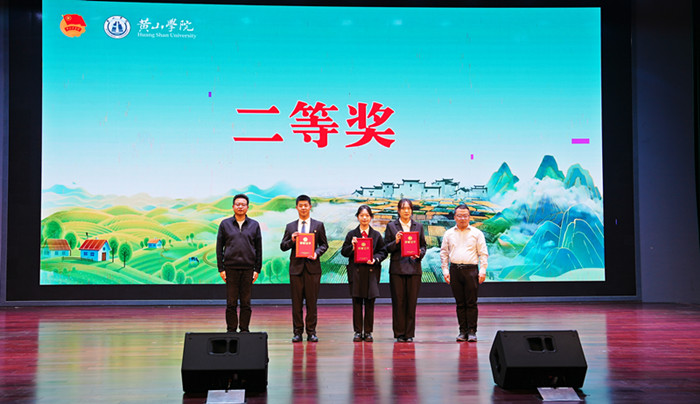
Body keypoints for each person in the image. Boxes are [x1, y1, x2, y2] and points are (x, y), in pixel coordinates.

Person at [280, 195, 329, 343]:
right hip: (296, 269)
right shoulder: (290, 226)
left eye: (305, 205)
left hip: (313, 269)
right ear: (296, 207)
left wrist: (316, 253)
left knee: (312, 303)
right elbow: (283, 246)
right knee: (296, 303)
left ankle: (311, 332)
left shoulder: (318, 225)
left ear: (310, 207)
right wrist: (291, 240)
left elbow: (324, 245)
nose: (303, 208)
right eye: (300, 205)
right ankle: (297, 332)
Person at [440, 204, 488, 342]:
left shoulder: (477, 233)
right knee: (460, 303)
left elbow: (483, 253)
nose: (462, 218)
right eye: (459, 216)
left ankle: (472, 331)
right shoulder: (449, 233)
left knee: (471, 303)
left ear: (469, 217)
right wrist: (445, 270)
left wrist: (483, 270)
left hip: (471, 270)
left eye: (465, 216)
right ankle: (462, 331)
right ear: (455, 217)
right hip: (455, 270)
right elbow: (444, 253)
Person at [340, 205, 388, 342]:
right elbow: (344, 252)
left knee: (369, 304)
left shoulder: (376, 235)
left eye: (367, 215)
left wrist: (375, 259)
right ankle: (357, 332)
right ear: (358, 217)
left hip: (371, 273)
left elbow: (383, 252)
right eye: (362, 215)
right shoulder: (351, 234)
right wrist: (352, 247)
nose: (364, 218)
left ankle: (368, 332)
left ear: (371, 217)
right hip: (356, 273)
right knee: (356, 303)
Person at [216, 194, 262, 333]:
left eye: (243, 204)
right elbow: (219, 247)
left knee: (246, 302)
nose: (240, 207)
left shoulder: (254, 225)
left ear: (247, 207)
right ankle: (231, 330)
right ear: (233, 206)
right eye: (237, 204)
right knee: (231, 302)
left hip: (248, 269)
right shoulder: (225, 224)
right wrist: (221, 269)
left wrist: (257, 269)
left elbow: (258, 248)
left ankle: (244, 330)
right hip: (230, 268)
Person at [384, 198, 427, 342]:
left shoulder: (418, 226)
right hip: (397, 269)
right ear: (398, 211)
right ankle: (399, 333)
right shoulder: (391, 226)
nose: (406, 211)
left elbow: (423, 246)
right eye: (403, 208)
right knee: (398, 302)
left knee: (411, 302)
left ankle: (409, 334)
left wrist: (419, 254)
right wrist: (396, 241)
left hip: (414, 268)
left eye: (408, 208)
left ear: (411, 210)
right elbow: (386, 248)